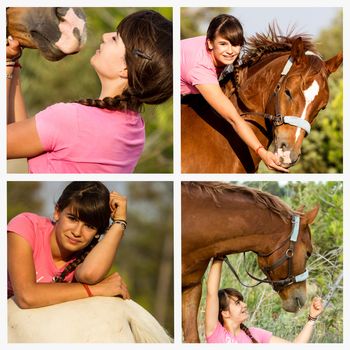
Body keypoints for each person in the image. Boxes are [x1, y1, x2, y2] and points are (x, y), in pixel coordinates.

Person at [6, 10, 172, 173]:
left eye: (115, 39)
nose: (105, 36)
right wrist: (11, 63)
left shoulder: (71, 120)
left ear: (125, 69)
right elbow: (20, 134)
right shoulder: (135, 130)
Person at [181, 14, 287, 173]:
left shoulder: (215, 47)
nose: (230, 51)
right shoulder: (200, 69)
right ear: (210, 43)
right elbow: (234, 119)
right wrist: (262, 152)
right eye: (223, 44)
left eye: (235, 45)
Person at [8, 181, 130, 308]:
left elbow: (89, 275)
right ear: (57, 212)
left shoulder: (87, 258)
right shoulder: (26, 226)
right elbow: (27, 297)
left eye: (89, 226)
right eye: (72, 219)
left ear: (97, 232)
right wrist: (96, 289)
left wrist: (119, 223)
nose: (77, 232)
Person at [205, 258, 324, 343]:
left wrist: (312, 319)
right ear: (225, 313)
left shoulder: (255, 334)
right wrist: (219, 257)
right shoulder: (216, 334)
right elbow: (211, 293)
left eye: (241, 301)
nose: (244, 305)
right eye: (237, 303)